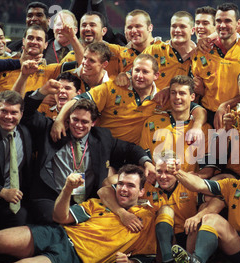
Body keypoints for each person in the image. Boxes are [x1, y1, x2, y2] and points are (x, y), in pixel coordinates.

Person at [0, 164, 156, 263]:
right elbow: (60, 218)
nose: (124, 189)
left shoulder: (147, 219)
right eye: (120, 184)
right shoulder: (100, 203)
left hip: (73, 259)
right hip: (58, 233)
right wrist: (67, 189)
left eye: (130, 186)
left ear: (142, 191)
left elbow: (147, 257)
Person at [20, 84, 154, 225]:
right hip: (50, 197)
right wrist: (42, 92)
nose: (78, 125)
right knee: (54, 223)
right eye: (75, 120)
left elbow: (130, 149)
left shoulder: (102, 138)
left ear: (93, 123)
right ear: (68, 118)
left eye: (84, 122)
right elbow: (26, 112)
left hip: (84, 201)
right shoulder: (51, 129)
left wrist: (147, 162)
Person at [191, 2, 240, 126]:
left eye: (228, 21)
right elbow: (197, 89)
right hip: (209, 118)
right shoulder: (201, 52)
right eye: (219, 21)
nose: (222, 25)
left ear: (238, 24)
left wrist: (226, 105)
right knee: (214, 146)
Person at [0, 25, 77, 120]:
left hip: (23, 122)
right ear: (23, 41)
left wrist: (73, 38)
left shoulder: (50, 71)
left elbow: (83, 65)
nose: (34, 42)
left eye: (39, 39)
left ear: (45, 45)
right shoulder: (2, 63)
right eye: (30, 38)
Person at [139, 75, 213, 177]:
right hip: (156, 185)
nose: (177, 97)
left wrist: (196, 177)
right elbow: (142, 159)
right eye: (173, 93)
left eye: (182, 93)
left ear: (192, 97)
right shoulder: (152, 123)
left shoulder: (204, 129)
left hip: (186, 188)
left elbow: (208, 168)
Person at [0, 91, 33, 234]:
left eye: (13, 112)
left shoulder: (26, 133)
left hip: (14, 201)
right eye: (4, 111)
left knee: (22, 224)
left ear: (21, 114)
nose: (8, 117)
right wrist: (2, 192)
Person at [142, 11, 196, 91]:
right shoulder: (153, 51)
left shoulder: (200, 57)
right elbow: (134, 74)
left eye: (182, 26)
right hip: (153, 102)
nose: (177, 30)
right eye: (174, 26)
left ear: (192, 30)